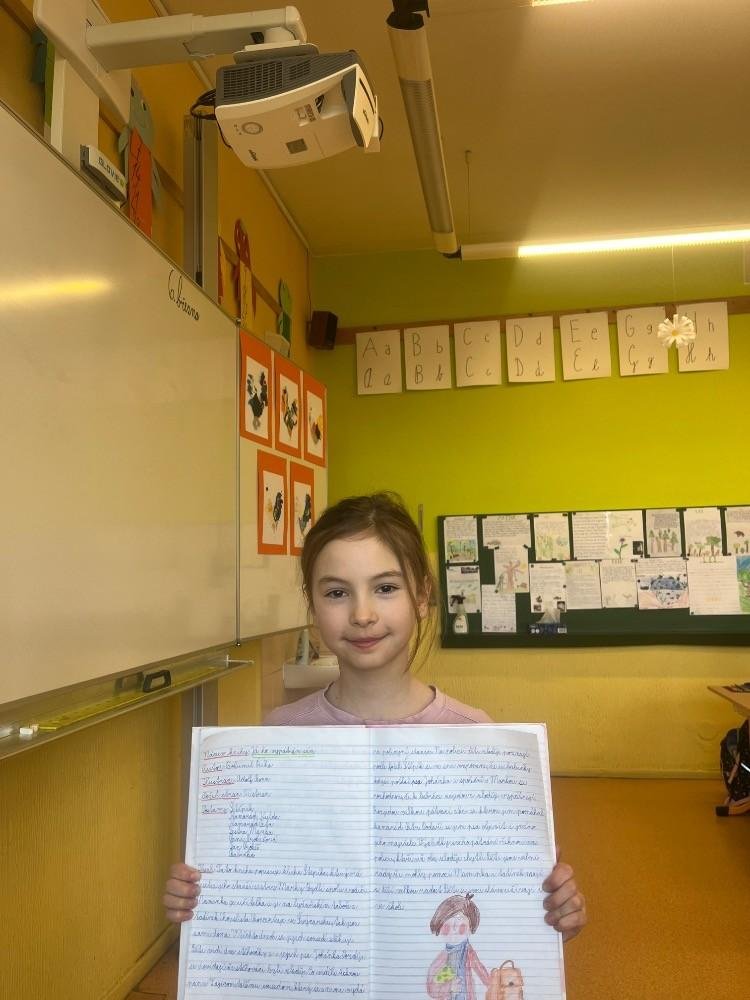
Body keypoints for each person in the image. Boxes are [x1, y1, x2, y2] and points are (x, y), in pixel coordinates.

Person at [163, 492, 587, 944]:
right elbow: (258, 887)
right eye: (337, 593)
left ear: (422, 596)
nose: (362, 615)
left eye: (385, 588)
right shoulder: (278, 737)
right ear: (312, 605)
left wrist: (551, 913)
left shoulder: (478, 739)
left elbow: (504, 911)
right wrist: (203, 897)